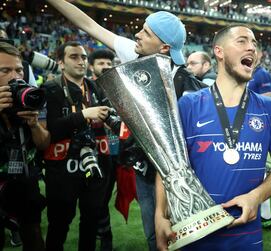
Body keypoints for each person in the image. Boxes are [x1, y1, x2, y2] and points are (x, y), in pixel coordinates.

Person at [46, 2, 205, 250]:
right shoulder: (140, 54)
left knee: (177, 238)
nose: (137, 35)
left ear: (163, 47)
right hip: (144, 170)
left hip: (174, 179)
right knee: (153, 236)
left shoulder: (188, 87)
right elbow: (89, 25)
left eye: (146, 33)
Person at [155, 24, 271, 251]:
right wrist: (160, 215)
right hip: (193, 233)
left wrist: (256, 196)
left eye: (255, 44)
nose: (252, 49)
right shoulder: (188, 105)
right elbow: (169, 167)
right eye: (242, 41)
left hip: (245, 236)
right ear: (219, 51)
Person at [42, 41, 112, 251]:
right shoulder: (50, 89)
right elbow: (50, 131)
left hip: (94, 163)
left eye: (83, 57)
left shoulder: (95, 87)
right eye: (74, 57)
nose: (81, 61)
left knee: (91, 222)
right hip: (62, 168)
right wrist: (83, 115)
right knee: (59, 225)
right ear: (61, 63)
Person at [0, 42, 49, 251]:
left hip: (24, 180)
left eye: (19, 69)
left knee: (34, 236)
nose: (15, 76)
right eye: (5, 70)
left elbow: (44, 143)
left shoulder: (28, 98)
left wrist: (34, 124)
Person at [88, 48, 117, 251]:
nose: (106, 67)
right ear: (92, 66)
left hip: (116, 152)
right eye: (101, 63)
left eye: (109, 63)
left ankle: (103, 233)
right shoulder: (86, 88)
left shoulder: (119, 87)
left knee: (104, 196)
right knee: (95, 199)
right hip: (93, 151)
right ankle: (104, 234)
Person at [247, 42, 271, 230]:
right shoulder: (246, 72)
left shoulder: (262, 74)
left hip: (255, 128)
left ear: (261, 55)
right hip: (244, 128)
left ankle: (266, 216)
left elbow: (268, 102)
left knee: (259, 175)